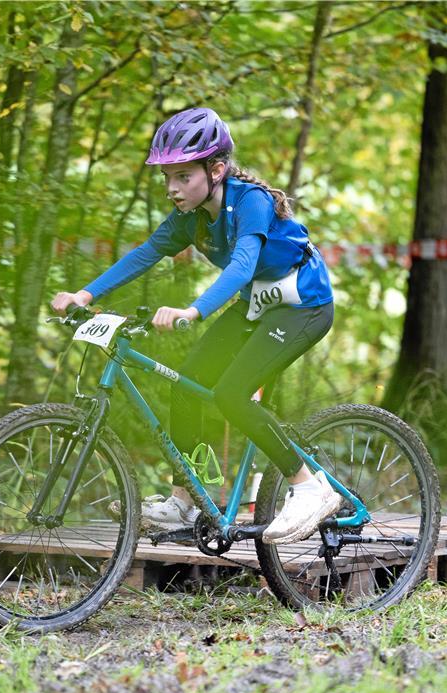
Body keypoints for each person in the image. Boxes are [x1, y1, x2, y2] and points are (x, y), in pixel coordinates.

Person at [51, 107, 336, 545]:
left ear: (216, 169)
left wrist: (194, 311)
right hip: (259, 304)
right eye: (166, 177)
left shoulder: (251, 202)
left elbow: (242, 267)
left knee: (231, 394)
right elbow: (144, 254)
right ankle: (183, 501)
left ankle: (309, 487)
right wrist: (84, 296)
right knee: (185, 385)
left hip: (304, 305)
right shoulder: (190, 217)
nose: (171, 188)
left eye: (183, 176)